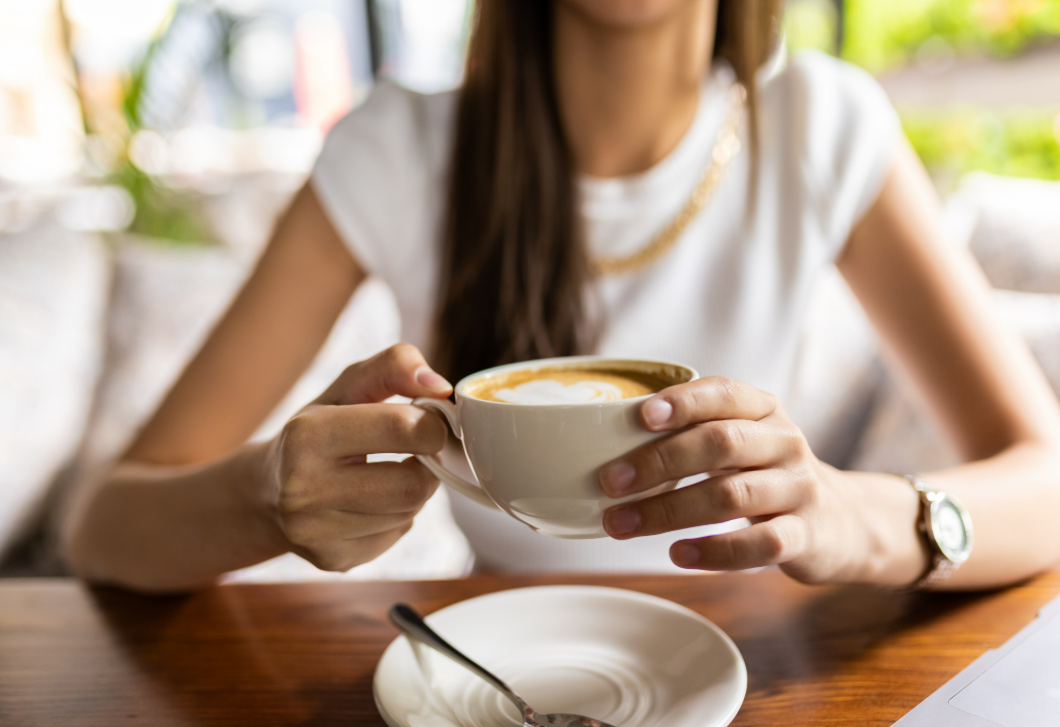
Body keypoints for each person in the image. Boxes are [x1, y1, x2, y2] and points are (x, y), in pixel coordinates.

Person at [63, 0, 1060, 593]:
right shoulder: (396, 151)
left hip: (754, 668)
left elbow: (1045, 481)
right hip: (489, 671)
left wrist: (854, 515)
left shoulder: (821, 125)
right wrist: (267, 499)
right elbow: (105, 529)